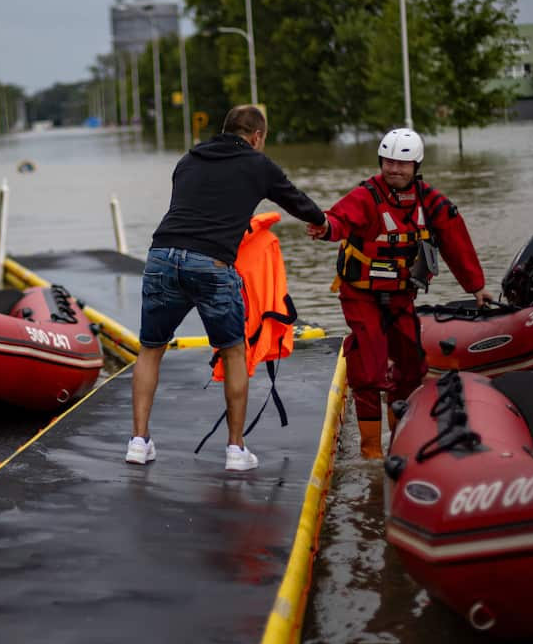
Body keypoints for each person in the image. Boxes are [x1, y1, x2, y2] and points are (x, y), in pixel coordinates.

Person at [127, 105, 329, 471]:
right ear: (256, 137)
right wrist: (324, 224)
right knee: (235, 351)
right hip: (211, 264)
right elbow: (297, 201)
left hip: (161, 256)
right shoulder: (257, 164)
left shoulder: (189, 159)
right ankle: (236, 450)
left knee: (150, 349)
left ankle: (139, 442)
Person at [308, 128, 492, 460]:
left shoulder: (431, 201)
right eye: (389, 162)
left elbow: (455, 241)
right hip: (360, 295)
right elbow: (338, 220)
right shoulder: (366, 196)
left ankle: (399, 438)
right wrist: (325, 229)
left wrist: (476, 287)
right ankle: (371, 452)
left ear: (416, 166)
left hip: (400, 297)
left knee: (410, 365)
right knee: (369, 366)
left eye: (402, 163)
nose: (394, 169)